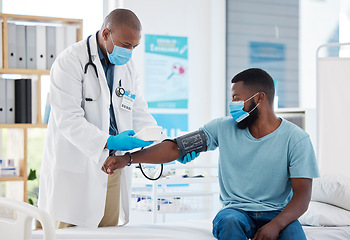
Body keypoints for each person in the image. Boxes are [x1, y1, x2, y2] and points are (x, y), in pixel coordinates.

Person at [103, 68, 319, 240]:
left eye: (236, 98)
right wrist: (127, 158)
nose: (232, 105)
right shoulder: (222, 127)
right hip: (236, 212)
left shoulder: (296, 139)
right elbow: (174, 147)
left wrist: (277, 224)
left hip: (278, 213)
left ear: (259, 98)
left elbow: (302, 197)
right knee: (229, 223)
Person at [38, 9, 195, 229]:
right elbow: (68, 119)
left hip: (112, 168)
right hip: (76, 170)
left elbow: (138, 110)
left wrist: (166, 143)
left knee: (107, 232)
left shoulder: (128, 67)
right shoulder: (70, 61)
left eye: (134, 46)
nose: (129, 52)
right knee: (70, 233)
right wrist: (109, 141)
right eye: (125, 44)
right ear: (105, 34)